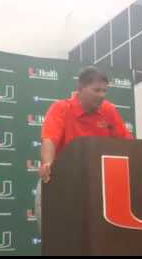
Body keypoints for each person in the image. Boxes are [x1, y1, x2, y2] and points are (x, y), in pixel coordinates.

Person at [35, 66, 133, 234]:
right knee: (56, 234)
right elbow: (49, 139)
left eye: (104, 90)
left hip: (97, 182)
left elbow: (127, 144)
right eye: (96, 90)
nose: (102, 95)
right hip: (60, 178)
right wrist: (48, 163)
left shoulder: (108, 110)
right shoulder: (61, 108)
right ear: (80, 89)